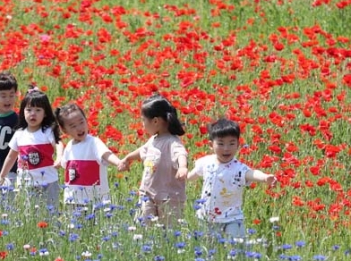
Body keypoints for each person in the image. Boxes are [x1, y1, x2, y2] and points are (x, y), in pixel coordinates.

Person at [187, 118, 277, 239]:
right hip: (207, 216)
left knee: (236, 246)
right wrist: (181, 176)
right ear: (210, 145)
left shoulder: (238, 168)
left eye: (231, 143)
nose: (226, 148)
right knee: (208, 249)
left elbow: (251, 173)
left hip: (233, 217)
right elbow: (191, 176)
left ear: (238, 145)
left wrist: (265, 177)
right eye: (221, 143)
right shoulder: (205, 162)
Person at [118, 94, 188, 227]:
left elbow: (180, 153)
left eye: (143, 120)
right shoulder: (154, 139)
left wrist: (182, 167)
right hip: (148, 194)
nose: (142, 124)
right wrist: (127, 158)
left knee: (169, 231)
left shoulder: (172, 141)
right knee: (144, 226)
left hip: (169, 197)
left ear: (155, 121)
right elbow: (142, 150)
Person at [0, 86, 63, 207]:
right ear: (23, 112)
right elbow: (11, 157)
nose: (33, 114)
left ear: (45, 114)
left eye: (38, 110)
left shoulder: (47, 131)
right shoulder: (19, 133)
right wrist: (2, 176)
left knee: (50, 211)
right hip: (26, 183)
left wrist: (59, 157)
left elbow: (58, 143)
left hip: (48, 181)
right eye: (29, 110)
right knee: (29, 214)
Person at [55, 103, 121, 206]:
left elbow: (106, 154)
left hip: (96, 201)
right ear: (64, 130)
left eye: (81, 122)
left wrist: (118, 162)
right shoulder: (69, 146)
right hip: (74, 201)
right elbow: (66, 168)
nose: (79, 128)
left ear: (86, 120)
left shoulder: (93, 142)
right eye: (73, 126)